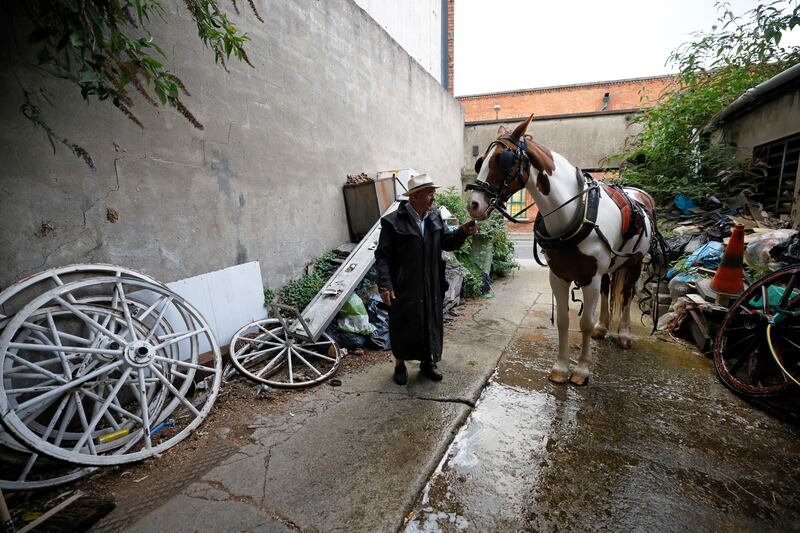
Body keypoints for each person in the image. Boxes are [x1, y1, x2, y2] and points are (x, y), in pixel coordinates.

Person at [374, 174, 478, 385]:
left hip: (431, 282)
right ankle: (400, 365)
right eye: (429, 194)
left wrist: (462, 232)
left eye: (434, 193)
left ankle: (427, 363)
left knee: (430, 322)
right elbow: (383, 256)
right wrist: (385, 284)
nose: (433, 198)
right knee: (402, 324)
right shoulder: (393, 222)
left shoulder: (434, 217)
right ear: (414, 197)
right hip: (404, 284)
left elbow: (446, 243)